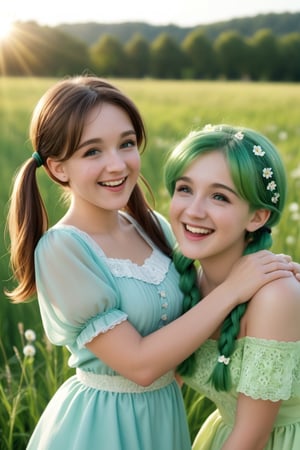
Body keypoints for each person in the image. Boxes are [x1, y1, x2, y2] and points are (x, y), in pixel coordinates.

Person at [5, 77, 297, 450]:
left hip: (162, 416)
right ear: (59, 168)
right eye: (92, 151)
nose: (117, 165)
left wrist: (268, 272)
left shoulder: (151, 227)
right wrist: (234, 290)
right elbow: (141, 365)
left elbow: (189, 321)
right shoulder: (63, 249)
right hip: (105, 424)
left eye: (126, 144)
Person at [164, 124, 300, 450]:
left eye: (219, 197)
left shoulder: (275, 296)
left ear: (257, 217)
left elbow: (252, 437)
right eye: (185, 189)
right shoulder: (184, 283)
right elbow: (158, 382)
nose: (193, 211)